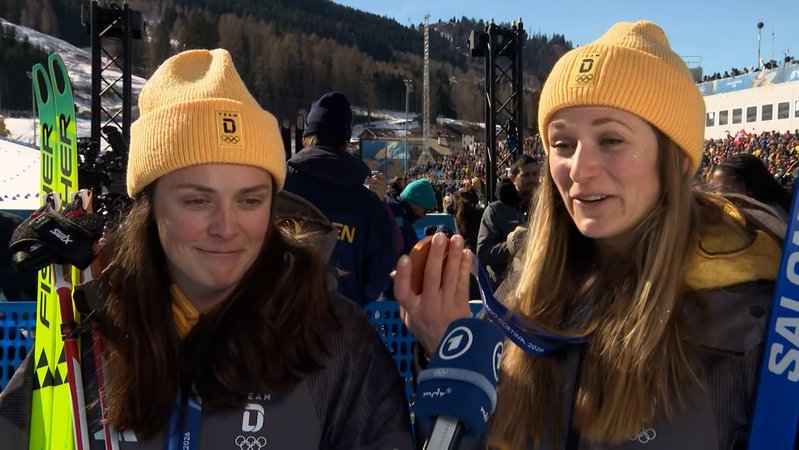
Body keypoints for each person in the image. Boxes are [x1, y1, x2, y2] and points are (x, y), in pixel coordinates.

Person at [395, 21, 784, 449]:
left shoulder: (755, 328)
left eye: (611, 139)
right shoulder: (525, 296)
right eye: (563, 144)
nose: (579, 169)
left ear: (673, 157)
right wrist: (452, 352)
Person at [0, 49, 413, 449]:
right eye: (197, 200)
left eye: (249, 200)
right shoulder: (93, 329)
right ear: (149, 206)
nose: (226, 228)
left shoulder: (334, 340)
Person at [284, 91, 397, 307]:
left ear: (305, 139)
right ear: (346, 143)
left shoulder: (279, 186)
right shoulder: (369, 204)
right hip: (343, 328)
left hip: (280, 325)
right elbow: (380, 269)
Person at [477, 154, 537, 287]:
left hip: (539, 288)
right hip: (505, 290)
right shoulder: (495, 211)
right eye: (526, 175)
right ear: (513, 179)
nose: (532, 179)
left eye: (535, 174)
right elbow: (483, 253)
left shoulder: (545, 208)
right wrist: (510, 245)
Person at [711, 154, 792, 220]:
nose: (718, 194)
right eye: (716, 189)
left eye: (724, 189)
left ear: (749, 188)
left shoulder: (768, 220)